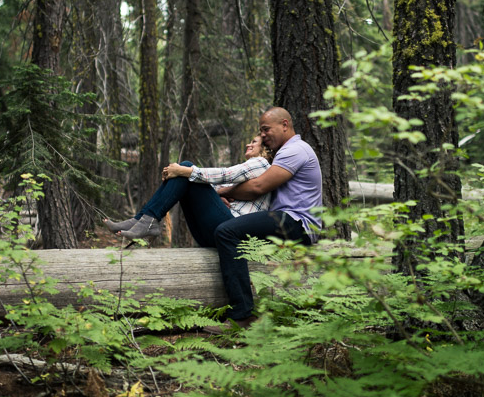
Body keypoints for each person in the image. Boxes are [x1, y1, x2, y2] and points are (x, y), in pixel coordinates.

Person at [203, 107, 323, 334]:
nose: (264, 135)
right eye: (261, 131)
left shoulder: (296, 150)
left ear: (285, 125)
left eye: (266, 129)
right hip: (286, 220)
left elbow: (258, 187)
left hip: (297, 223)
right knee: (229, 231)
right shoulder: (288, 152)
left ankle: (242, 316)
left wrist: (221, 192)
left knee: (226, 232)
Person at [103, 136, 272, 245]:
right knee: (184, 175)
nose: (248, 144)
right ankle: (142, 220)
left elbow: (225, 175)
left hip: (233, 231)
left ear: (264, 149)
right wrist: (178, 176)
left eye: (254, 142)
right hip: (218, 234)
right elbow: (213, 188)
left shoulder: (261, 163)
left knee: (185, 168)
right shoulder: (252, 168)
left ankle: (145, 220)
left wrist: (184, 171)